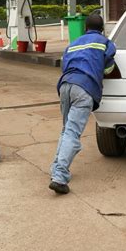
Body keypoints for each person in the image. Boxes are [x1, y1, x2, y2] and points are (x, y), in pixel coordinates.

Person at [49, 14, 116, 195]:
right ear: (102, 29)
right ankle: (59, 177)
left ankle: (56, 168)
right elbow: (109, 68)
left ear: (85, 28)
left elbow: (65, 66)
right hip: (84, 88)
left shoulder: (73, 44)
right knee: (71, 132)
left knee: (66, 130)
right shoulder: (105, 43)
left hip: (65, 86)